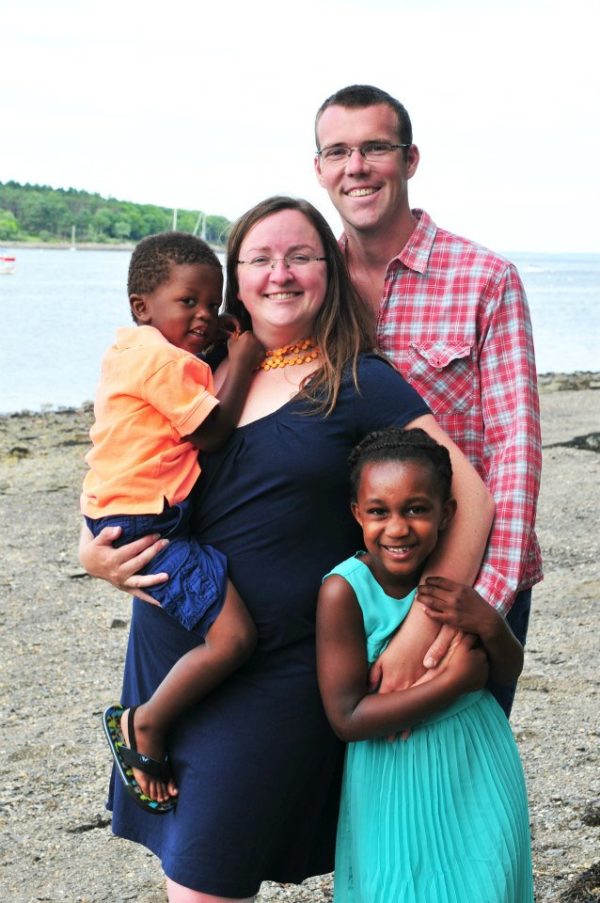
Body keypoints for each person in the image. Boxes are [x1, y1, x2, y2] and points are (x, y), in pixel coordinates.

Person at [79, 196, 494, 903]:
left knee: (209, 878)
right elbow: (117, 467)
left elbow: (472, 499)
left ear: (328, 273)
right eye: (260, 258)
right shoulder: (191, 371)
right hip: (170, 651)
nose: (281, 272)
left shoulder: (361, 380)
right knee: (190, 871)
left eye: (300, 255)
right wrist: (90, 552)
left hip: (279, 668)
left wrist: (424, 625)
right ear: (234, 278)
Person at [314, 84, 542, 716]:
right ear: (320, 169)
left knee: (461, 780)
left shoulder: (485, 280)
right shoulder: (306, 283)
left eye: (375, 148)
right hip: (350, 586)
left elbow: (515, 458)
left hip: (464, 580)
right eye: (338, 151)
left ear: (410, 160)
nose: (355, 167)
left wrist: (472, 612)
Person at [81, 231, 264, 811]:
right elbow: (212, 431)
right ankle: (145, 724)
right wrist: (244, 358)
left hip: (123, 511)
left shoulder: (135, 352)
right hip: (144, 525)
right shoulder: (160, 360)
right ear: (143, 307)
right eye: (189, 302)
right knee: (234, 638)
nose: (205, 316)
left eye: (213, 304)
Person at [317, 427, 534, 902]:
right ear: (358, 513)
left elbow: (507, 671)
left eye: (416, 509)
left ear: (447, 513)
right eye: (379, 512)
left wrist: (491, 625)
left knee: (487, 882)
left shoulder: (459, 577)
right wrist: (454, 682)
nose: (397, 528)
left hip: (477, 759)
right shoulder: (345, 591)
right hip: (393, 777)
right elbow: (346, 718)